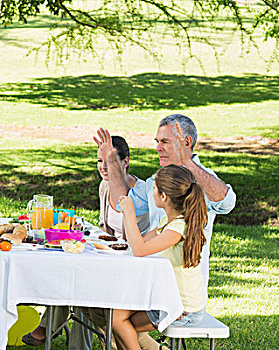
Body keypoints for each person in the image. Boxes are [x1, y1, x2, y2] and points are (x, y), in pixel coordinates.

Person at [23, 136, 161, 350]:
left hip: (129, 264)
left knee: (80, 287)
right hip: (107, 256)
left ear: (125, 162)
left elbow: (134, 241)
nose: (103, 167)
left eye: (109, 161)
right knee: (75, 279)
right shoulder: (105, 186)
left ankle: (47, 329)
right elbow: (104, 227)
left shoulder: (139, 193)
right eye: (99, 161)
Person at [96, 114, 236, 288]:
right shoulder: (156, 180)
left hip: (183, 288)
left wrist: (187, 161)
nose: (158, 148)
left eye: (165, 142)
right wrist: (111, 160)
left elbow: (227, 203)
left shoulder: (202, 179)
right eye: (157, 142)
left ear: (186, 142)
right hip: (153, 278)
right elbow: (122, 202)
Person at [112, 165, 208, 349]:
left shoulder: (177, 228)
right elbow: (138, 242)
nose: (152, 192)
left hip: (183, 308)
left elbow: (140, 249)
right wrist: (127, 215)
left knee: (121, 322)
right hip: (167, 296)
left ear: (164, 197)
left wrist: (130, 213)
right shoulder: (169, 221)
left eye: (154, 188)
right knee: (117, 316)